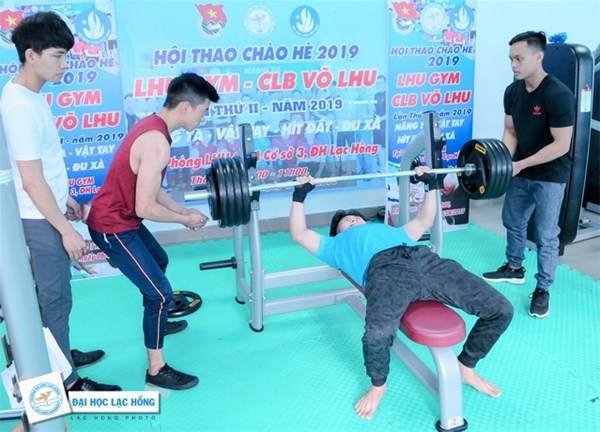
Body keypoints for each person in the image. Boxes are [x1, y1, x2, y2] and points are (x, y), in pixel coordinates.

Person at [289, 169, 514, 420]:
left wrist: (431, 185)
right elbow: (299, 234)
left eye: (356, 218)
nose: (353, 220)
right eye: (346, 221)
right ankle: (378, 386)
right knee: (376, 336)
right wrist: (299, 196)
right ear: (337, 232)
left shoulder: (390, 231)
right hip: (384, 273)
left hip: (424, 260)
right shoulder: (334, 246)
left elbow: (425, 220)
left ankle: (466, 366)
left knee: (501, 309)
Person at [0, 11, 120, 391]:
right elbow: (31, 181)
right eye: (57, 55)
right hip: (37, 219)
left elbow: (38, 167)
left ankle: (57, 354)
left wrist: (65, 196)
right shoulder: (20, 106)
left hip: (43, 210)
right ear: (31, 55)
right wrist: (66, 229)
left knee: (51, 298)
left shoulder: (27, 95)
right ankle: (65, 381)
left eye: (66, 55)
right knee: (54, 299)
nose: (64, 64)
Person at [86, 73, 219, 390]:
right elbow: (144, 206)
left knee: (159, 260)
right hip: (112, 227)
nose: (203, 118)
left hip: (122, 220)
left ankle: (157, 323)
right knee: (159, 295)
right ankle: (156, 370)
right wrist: (184, 221)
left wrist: (182, 211)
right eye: (203, 111)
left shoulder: (153, 126)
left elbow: (152, 186)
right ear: (185, 107)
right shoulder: (157, 142)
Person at [482, 31, 575, 318]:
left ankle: (543, 289)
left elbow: (561, 145)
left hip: (550, 174)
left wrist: (521, 164)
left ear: (538, 56)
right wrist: (503, 164)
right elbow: (510, 132)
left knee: (546, 235)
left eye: (519, 59)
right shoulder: (513, 92)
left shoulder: (558, 95)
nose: (513, 65)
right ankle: (514, 268)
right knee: (512, 220)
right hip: (520, 169)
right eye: (511, 59)